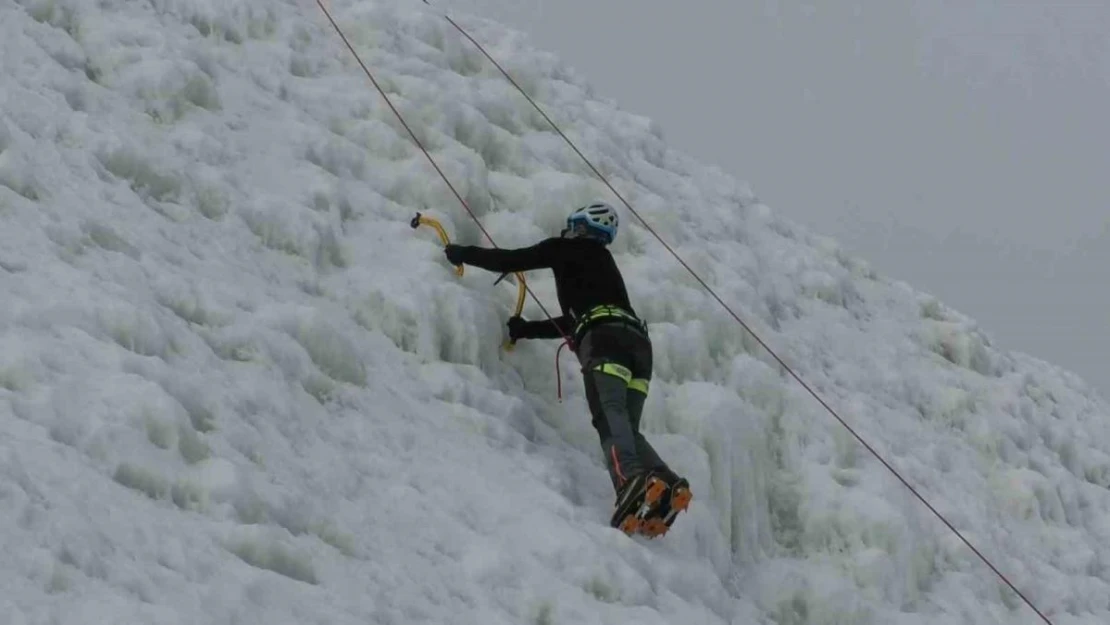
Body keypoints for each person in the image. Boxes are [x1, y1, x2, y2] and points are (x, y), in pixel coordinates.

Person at [444, 202, 692, 537]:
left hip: (605, 343)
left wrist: (461, 252)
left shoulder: (564, 248)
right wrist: (527, 329)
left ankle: (631, 480)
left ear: (578, 227)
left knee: (609, 416)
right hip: (638, 348)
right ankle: (664, 482)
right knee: (627, 428)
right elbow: (571, 323)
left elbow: (508, 260)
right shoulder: (605, 265)